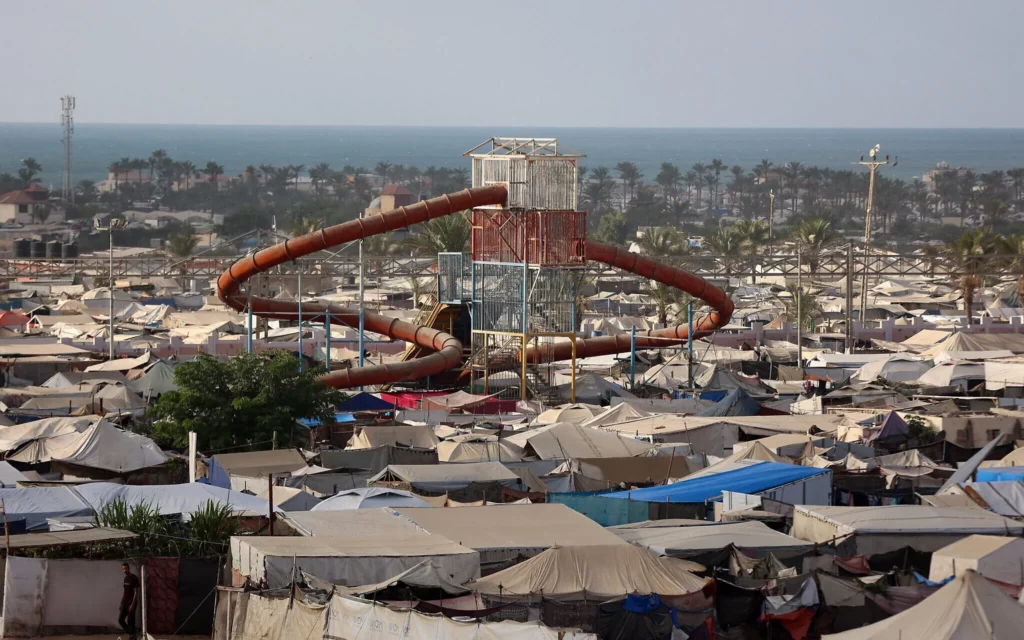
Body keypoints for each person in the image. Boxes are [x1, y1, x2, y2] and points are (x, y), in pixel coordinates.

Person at [119, 562, 139, 640]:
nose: (124, 570)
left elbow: (136, 592)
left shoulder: (134, 578)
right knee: (120, 620)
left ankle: (132, 636)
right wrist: (121, 603)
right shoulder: (125, 578)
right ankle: (132, 634)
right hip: (125, 603)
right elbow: (125, 592)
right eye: (123, 569)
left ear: (129, 568)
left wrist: (132, 604)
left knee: (130, 621)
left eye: (126, 568)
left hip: (131, 603)